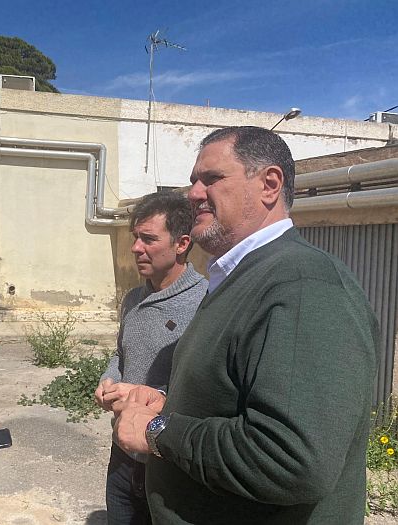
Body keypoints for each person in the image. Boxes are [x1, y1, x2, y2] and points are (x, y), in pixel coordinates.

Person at [113, 126, 379, 524]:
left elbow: (291, 459)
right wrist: (175, 405)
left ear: (269, 184)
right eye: (193, 181)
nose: (194, 194)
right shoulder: (241, 278)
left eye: (211, 178)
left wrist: (159, 430)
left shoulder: (302, 285)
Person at [94, 191, 207, 524]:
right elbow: (122, 354)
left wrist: (152, 400)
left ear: (182, 243)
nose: (135, 248)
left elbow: (205, 390)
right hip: (122, 455)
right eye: (135, 237)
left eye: (148, 239)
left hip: (169, 461)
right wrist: (109, 379)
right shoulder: (133, 299)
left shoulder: (205, 304)